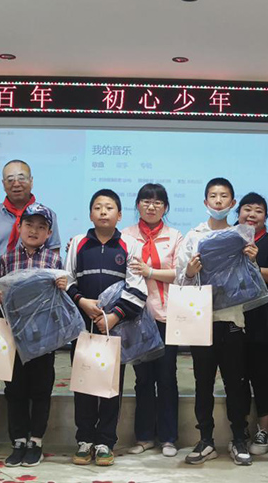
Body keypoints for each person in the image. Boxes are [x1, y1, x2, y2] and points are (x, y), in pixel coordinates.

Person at [0, 160, 61, 455]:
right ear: (3, 183)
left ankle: (33, 437)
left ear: (31, 181)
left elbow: (53, 267)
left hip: (35, 314)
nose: (16, 182)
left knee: (33, 375)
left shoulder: (48, 219)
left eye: (21, 177)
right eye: (10, 178)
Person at [65, 189, 147, 467]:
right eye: (98, 207)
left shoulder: (130, 245)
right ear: (90, 214)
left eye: (109, 207)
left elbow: (137, 288)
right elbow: (67, 280)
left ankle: (105, 442)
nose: (103, 211)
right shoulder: (78, 243)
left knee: (111, 386)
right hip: (82, 327)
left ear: (119, 215)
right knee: (84, 384)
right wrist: (82, 301)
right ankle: (85, 439)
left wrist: (114, 317)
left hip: (115, 328)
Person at [176, 177, 252, 466]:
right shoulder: (193, 236)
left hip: (231, 319)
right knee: (203, 383)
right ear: (205, 201)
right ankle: (205, 439)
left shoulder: (240, 236)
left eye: (224, 196)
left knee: (235, 383)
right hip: (201, 321)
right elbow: (180, 279)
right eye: (213, 196)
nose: (218, 201)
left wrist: (252, 261)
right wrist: (190, 271)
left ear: (233, 202)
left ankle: (239, 438)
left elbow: (250, 282)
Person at [0, 203, 65, 467]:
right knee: (15, 389)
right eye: (29, 225)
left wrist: (63, 286)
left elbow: (59, 300)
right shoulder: (7, 259)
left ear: (49, 233)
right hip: (15, 336)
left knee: (41, 389)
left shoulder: (54, 261)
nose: (34, 231)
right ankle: (18, 440)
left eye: (41, 227)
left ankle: (36, 441)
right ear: (19, 227)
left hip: (44, 337)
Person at [122, 183, 184, 458]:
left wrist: (150, 271)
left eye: (157, 202)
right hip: (135, 317)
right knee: (143, 379)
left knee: (167, 377)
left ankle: (169, 438)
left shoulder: (175, 236)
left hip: (166, 316)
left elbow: (180, 273)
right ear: (138, 205)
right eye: (146, 201)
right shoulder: (126, 235)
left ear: (165, 207)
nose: (151, 206)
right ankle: (145, 436)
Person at [236, 192, 268, 456]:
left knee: (262, 374)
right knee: (236, 376)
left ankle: (264, 430)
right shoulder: (228, 240)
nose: (252, 214)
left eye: (258, 210)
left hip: (264, 319)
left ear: (266, 217)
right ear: (238, 214)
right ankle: (240, 429)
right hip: (234, 317)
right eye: (247, 209)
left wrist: (255, 266)